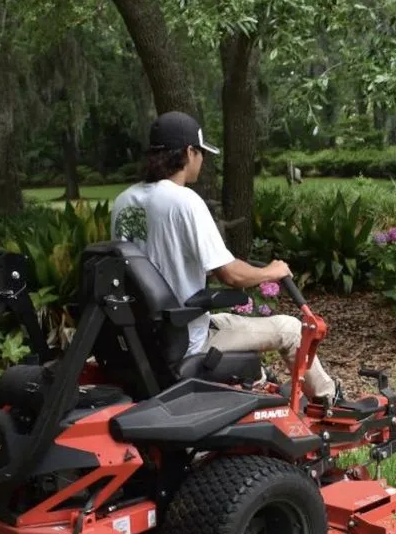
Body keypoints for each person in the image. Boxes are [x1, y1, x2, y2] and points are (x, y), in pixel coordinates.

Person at [110, 111, 338, 402]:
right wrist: (272, 271)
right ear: (189, 152)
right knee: (293, 329)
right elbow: (231, 275)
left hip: (145, 336)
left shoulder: (124, 201)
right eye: (201, 153)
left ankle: (266, 382)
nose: (202, 161)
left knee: (226, 320)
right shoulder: (184, 201)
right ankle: (330, 403)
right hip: (186, 340)